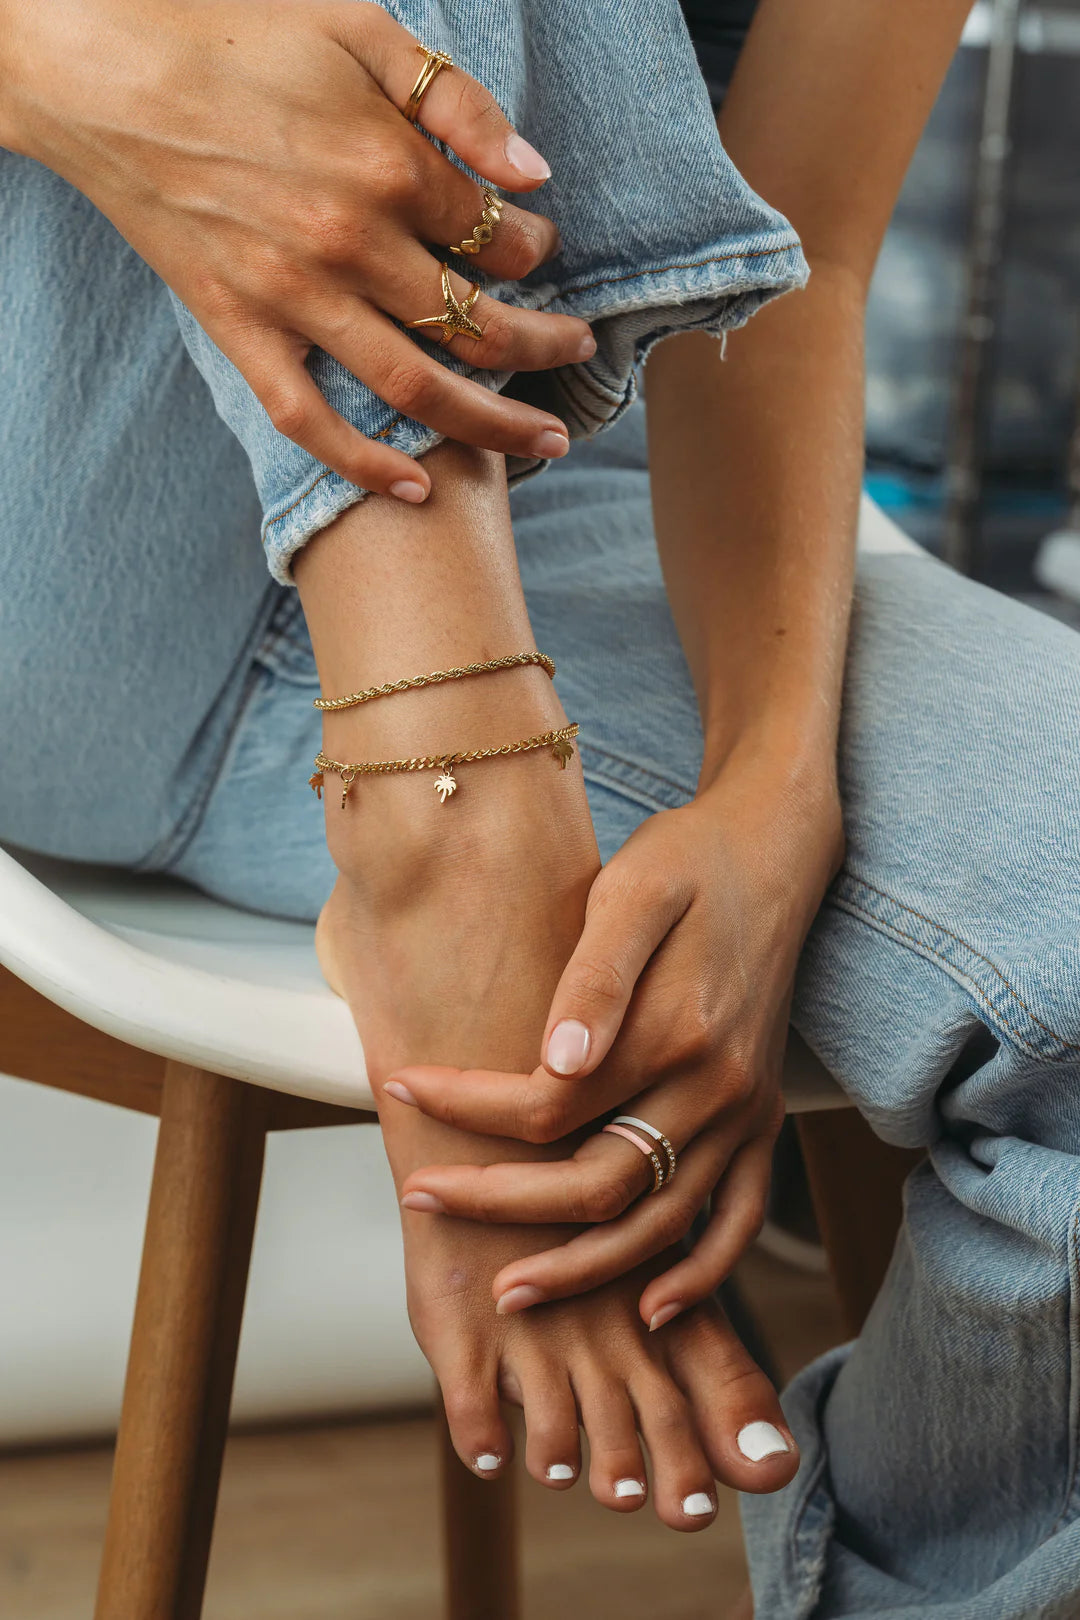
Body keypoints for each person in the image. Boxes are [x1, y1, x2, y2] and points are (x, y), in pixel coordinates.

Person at [4, 2, 1079, 1616]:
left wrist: (773, 792)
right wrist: (59, 61)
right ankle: (450, 814)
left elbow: (798, 272)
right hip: (66, 458)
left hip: (551, 457)